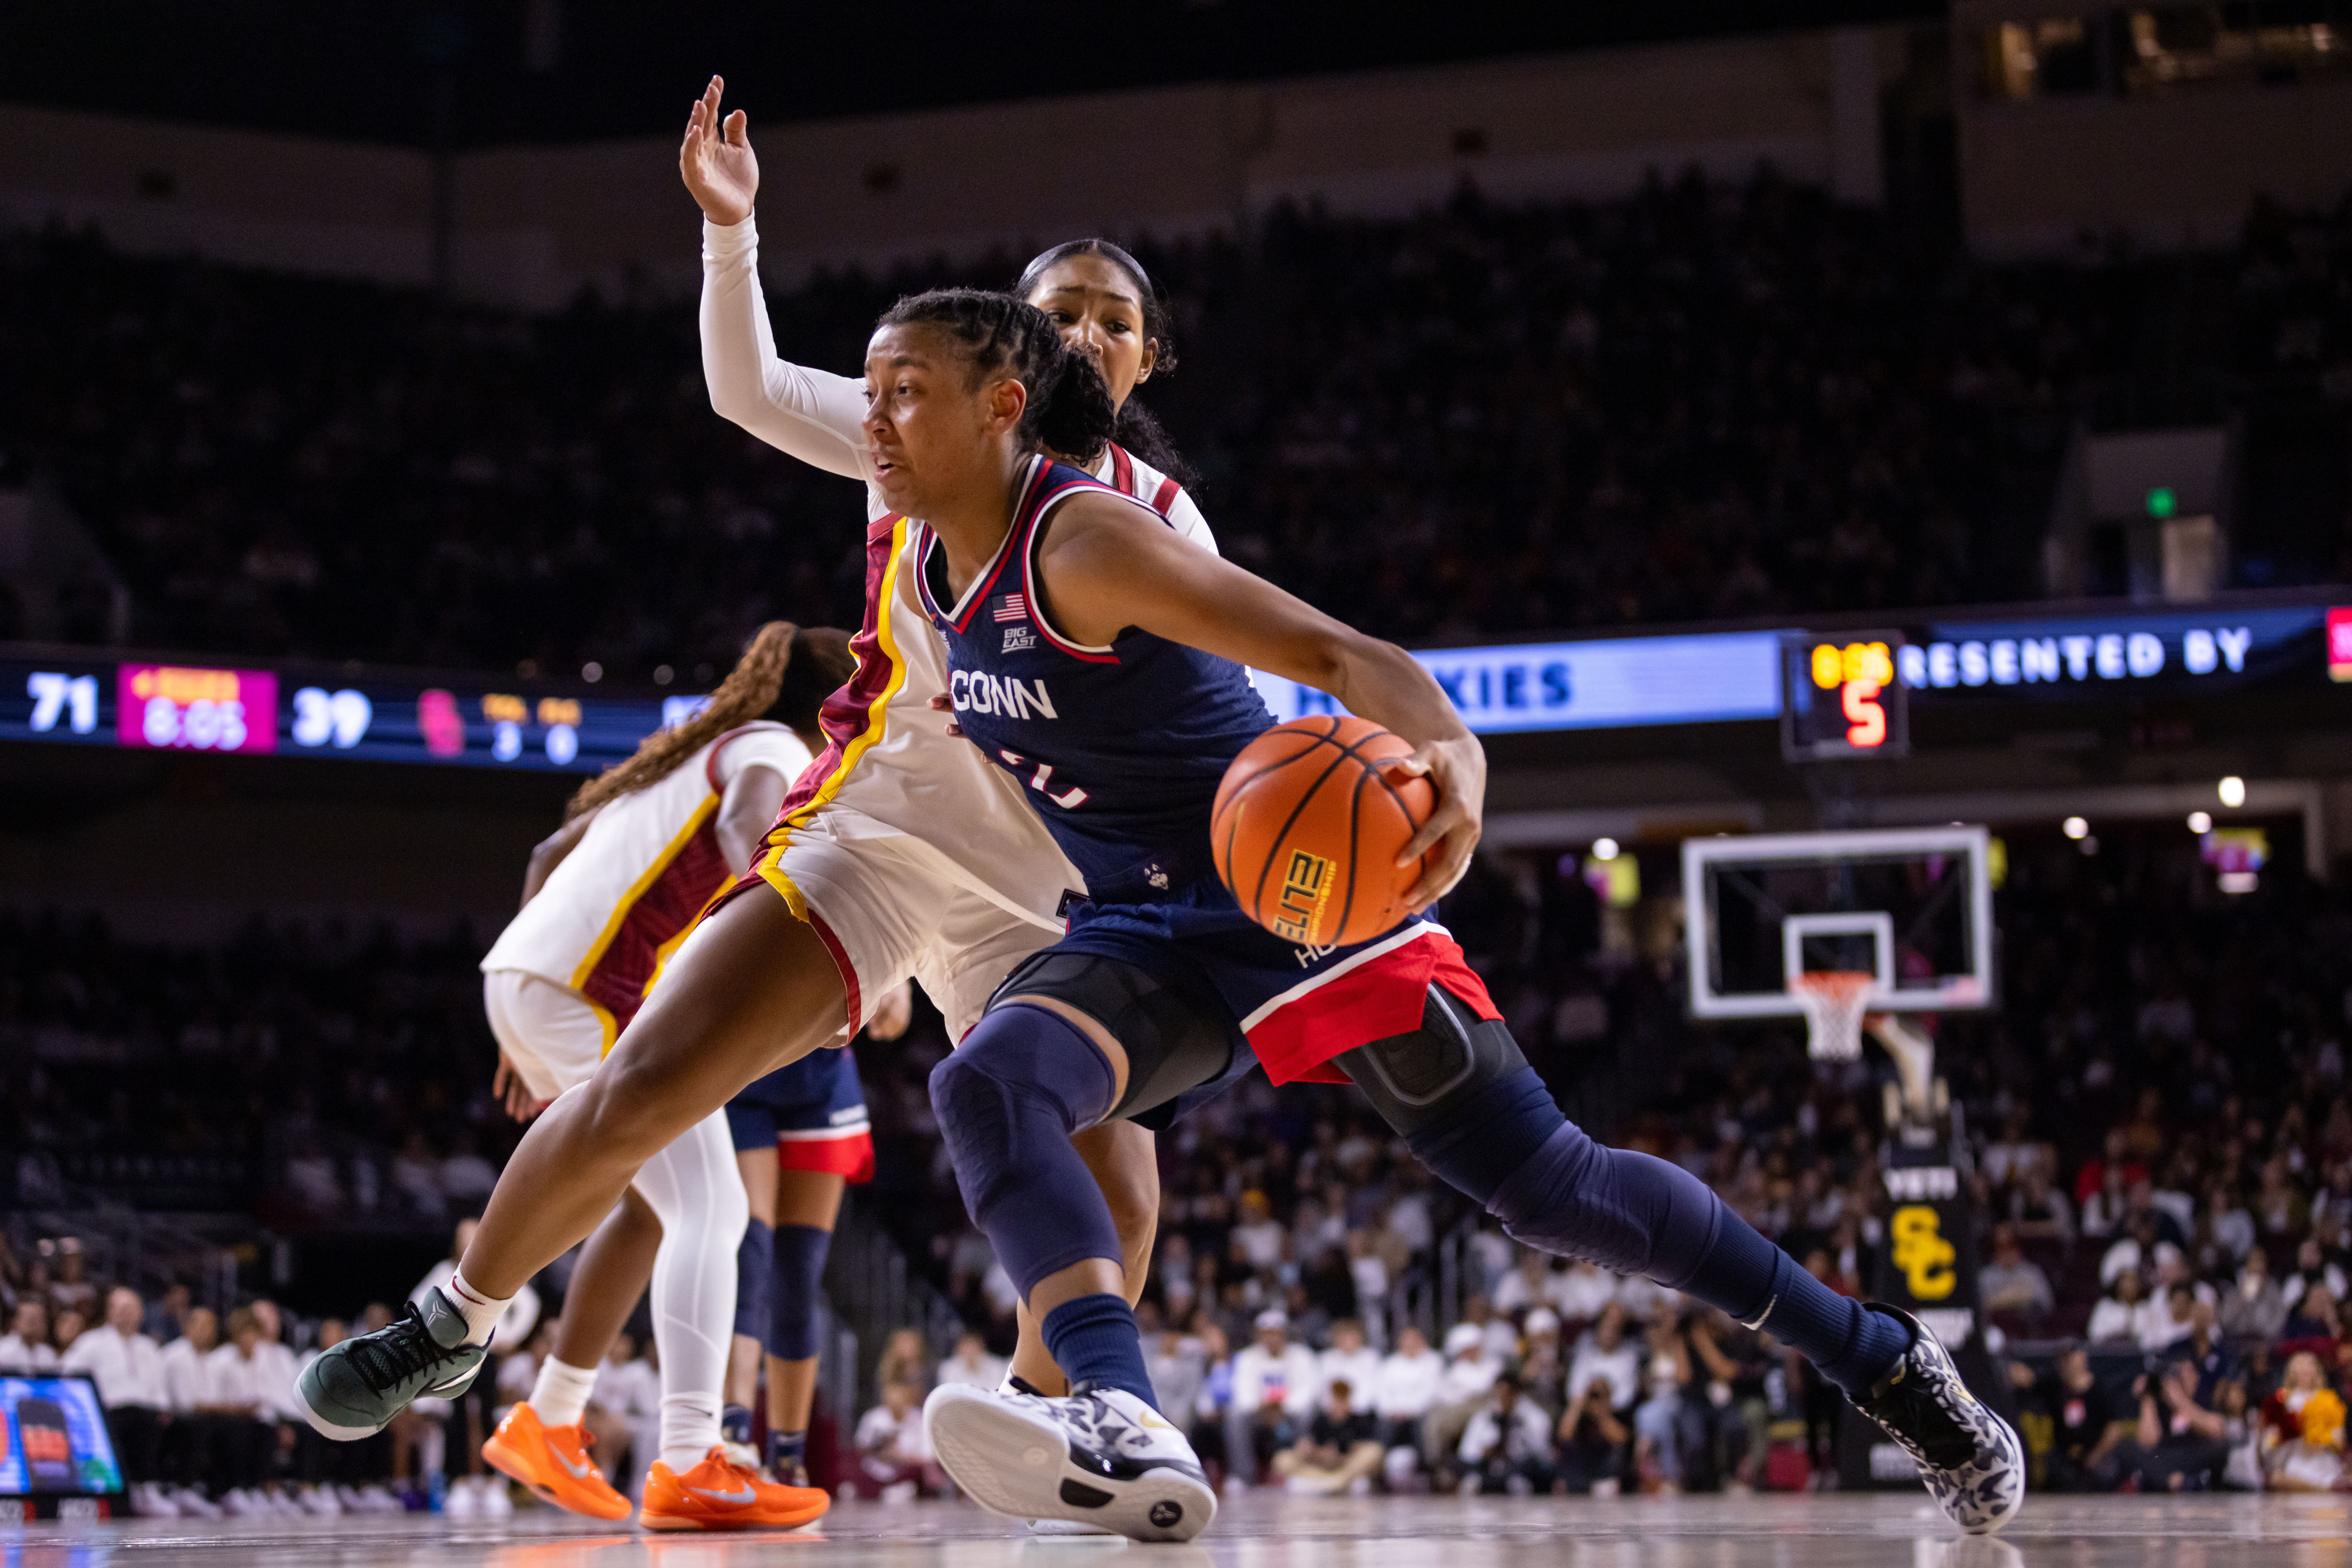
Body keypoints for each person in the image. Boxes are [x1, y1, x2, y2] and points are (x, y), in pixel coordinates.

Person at [847, 289, 2019, 1538]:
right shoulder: (922, 569)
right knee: (986, 1083)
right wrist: (899, 939)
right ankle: (1119, 1414)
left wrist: (1451, 745)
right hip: (1142, 923)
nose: (873, 418)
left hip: (1294, 890)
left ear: (1002, 408)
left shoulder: (1086, 542)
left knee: (1550, 1184)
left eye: (903, 390)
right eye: (869, 391)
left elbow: (1346, 658)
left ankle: (1883, 1359)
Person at [299, 75, 1218, 1544]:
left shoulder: (1164, 527)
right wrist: (734, 237)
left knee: (1119, 1176)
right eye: (1060, 311)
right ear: (1012, 348)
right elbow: (740, 388)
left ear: (1150, 356)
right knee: (653, 1082)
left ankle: (1056, 1411)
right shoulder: (905, 435)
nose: (1086, 334)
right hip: (879, 835)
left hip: (1049, 887)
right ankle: (457, 1319)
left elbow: (1203, 729)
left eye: (1114, 315)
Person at [468, 622, 850, 1530]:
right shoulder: (770, 749)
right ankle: (690, 1459)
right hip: (590, 994)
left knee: (652, 1209)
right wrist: (801, 921)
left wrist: (526, 1005)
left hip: (536, 981)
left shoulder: (695, 754)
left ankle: (551, 1421)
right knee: (714, 1211)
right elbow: (746, 825)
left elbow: (545, 857)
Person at [60, 1287, 171, 1515]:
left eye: (132, 1310)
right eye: (122, 1310)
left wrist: (163, 1406)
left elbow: (160, 1386)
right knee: (135, 1420)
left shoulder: (148, 1347)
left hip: (144, 1410)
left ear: (141, 1314)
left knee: (152, 1420)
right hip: (108, 1411)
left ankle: (146, 1488)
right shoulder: (92, 1342)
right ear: (110, 1313)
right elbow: (68, 1372)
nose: (127, 1316)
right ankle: (135, 1488)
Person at [2008, 1341, 2130, 1491]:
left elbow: (2114, 1429)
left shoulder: (2101, 1390)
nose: (2068, 1365)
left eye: (2071, 1358)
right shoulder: (2055, 1386)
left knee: (2107, 1472)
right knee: (2054, 1472)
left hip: (2097, 1455)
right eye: (2063, 1360)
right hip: (2064, 1457)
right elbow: (2024, 1377)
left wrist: (2095, 1456)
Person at [1225, 1309, 1320, 1485]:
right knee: (1235, 1417)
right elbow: (1242, 1393)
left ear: (1285, 1334)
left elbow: (1308, 1391)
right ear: (1259, 1336)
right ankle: (1243, 1476)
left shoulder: (1302, 1355)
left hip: (1290, 1412)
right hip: (1259, 1413)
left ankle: (1300, 1473)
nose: (1272, 1339)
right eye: (1267, 1334)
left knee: (1307, 1415)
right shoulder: (1247, 1357)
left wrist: (1283, 1406)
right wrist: (1262, 1406)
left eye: (1277, 1334)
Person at [1271, 1377, 1384, 1495]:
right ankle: (1334, 1484)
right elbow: (1307, 1446)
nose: (1340, 1403)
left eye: (1343, 1399)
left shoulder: (1359, 1421)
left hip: (1346, 1468)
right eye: (1337, 1398)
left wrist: (1341, 1455)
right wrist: (1319, 1453)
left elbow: (1365, 1450)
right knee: (1283, 1458)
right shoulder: (1320, 1421)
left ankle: (1338, 1482)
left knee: (1374, 1451)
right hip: (1320, 1469)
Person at [1457, 1373, 1556, 1496]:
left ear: (1517, 1393)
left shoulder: (1535, 1417)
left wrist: (1517, 1443)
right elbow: (1467, 1451)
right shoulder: (1484, 1416)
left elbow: (1542, 1452)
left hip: (1521, 1468)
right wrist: (1485, 1450)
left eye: (1507, 1394)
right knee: (1469, 1473)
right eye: (1499, 1394)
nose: (1503, 1399)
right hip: (1489, 1467)